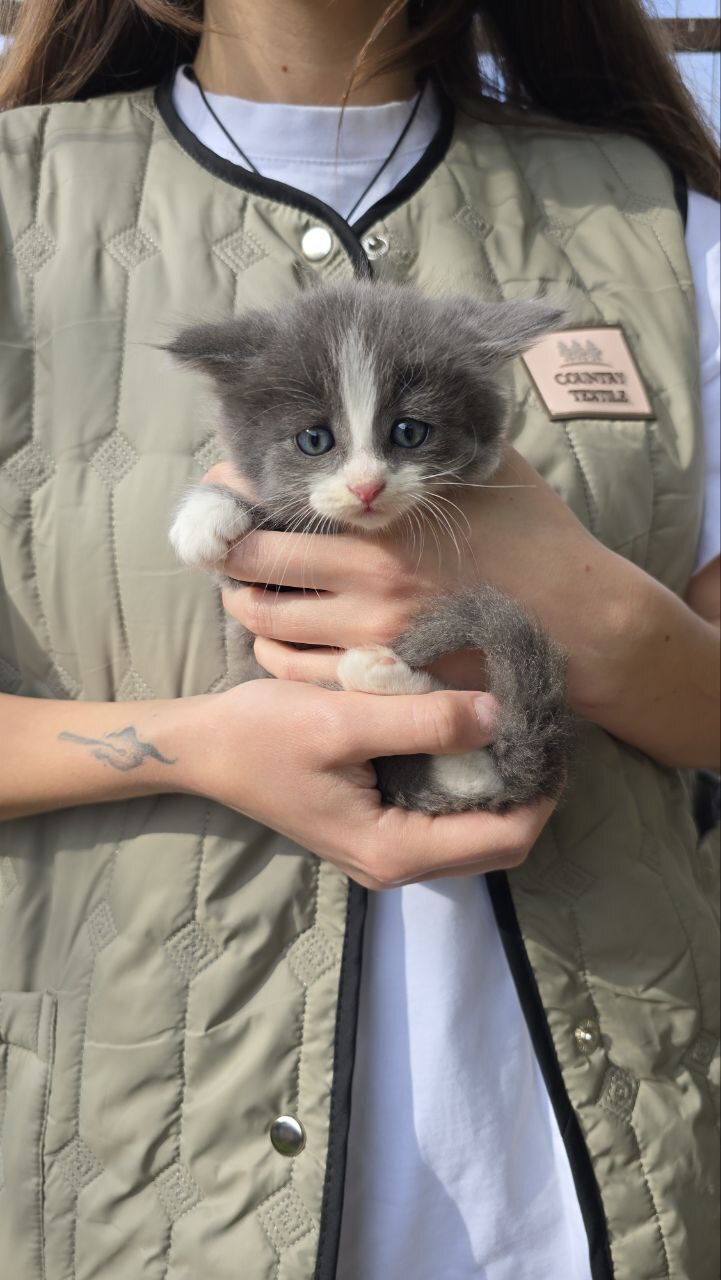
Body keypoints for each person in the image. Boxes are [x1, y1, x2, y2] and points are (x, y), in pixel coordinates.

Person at [0, 2, 718, 1277]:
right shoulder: (23, 200)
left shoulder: (661, 221)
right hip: (125, 1178)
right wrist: (189, 746)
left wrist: (593, 612)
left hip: (605, 1184)